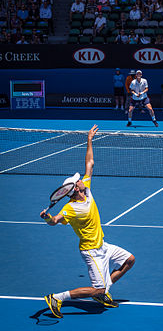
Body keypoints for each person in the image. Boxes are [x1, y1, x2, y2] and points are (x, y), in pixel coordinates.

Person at [40, 125, 135, 318]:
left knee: (129, 260)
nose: (82, 179)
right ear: (75, 188)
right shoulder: (70, 208)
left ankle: (102, 292)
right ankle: (57, 297)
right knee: (97, 289)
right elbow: (55, 220)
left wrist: (89, 139)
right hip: (91, 251)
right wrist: (48, 217)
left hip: (103, 245)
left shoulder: (87, 190)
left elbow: (90, 163)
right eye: (78, 180)